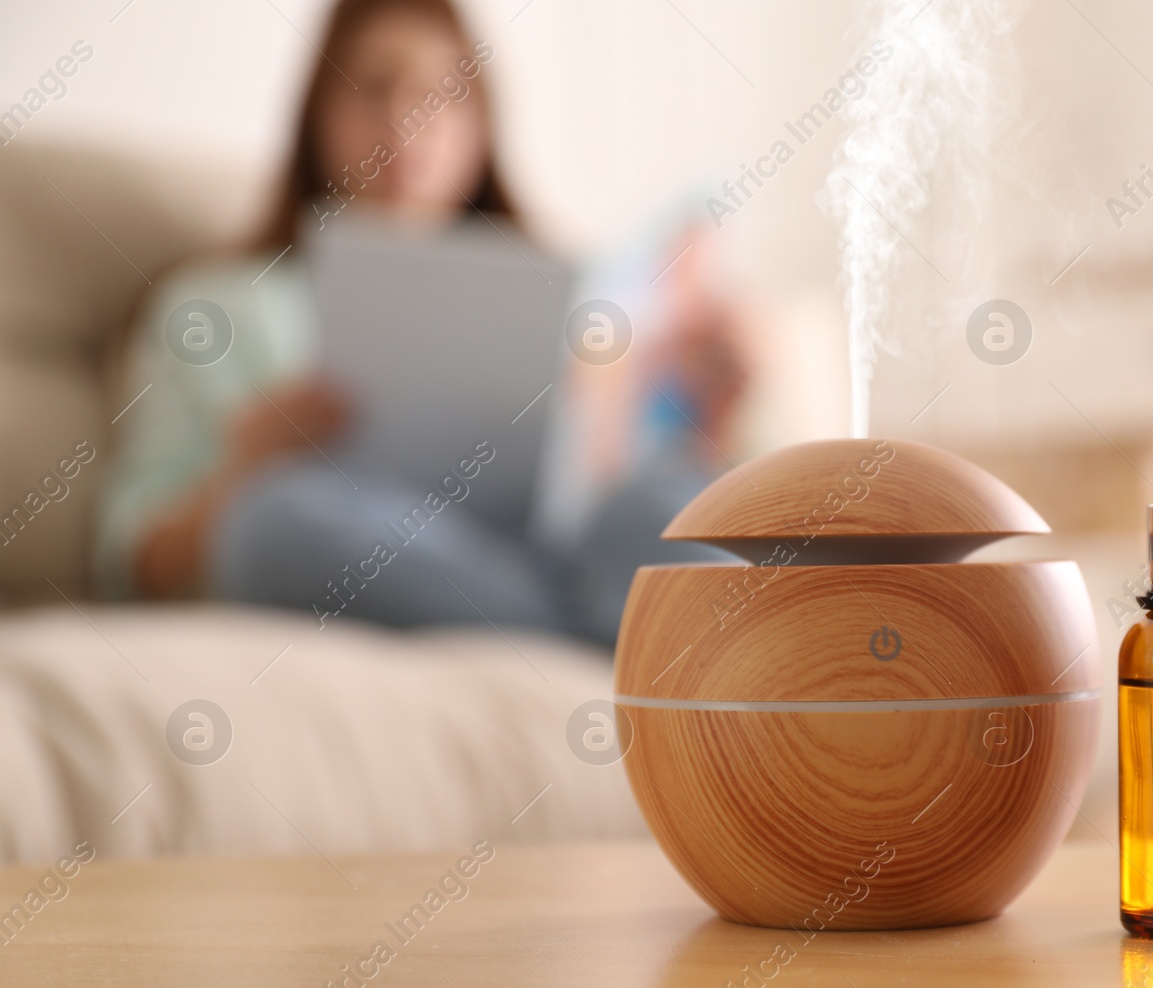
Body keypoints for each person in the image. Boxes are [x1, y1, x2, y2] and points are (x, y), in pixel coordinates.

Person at [94, 0, 746, 645]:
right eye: (372, 86)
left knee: (668, 498)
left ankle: (576, 624)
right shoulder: (213, 305)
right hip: (367, 547)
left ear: (482, 127)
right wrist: (239, 474)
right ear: (316, 111)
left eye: (445, 93)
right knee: (271, 521)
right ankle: (584, 636)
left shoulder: (566, 302)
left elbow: (608, 490)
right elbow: (130, 564)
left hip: (545, 546)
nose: (408, 119)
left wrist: (699, 414)